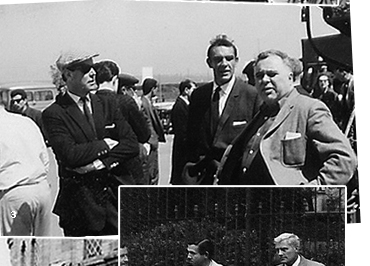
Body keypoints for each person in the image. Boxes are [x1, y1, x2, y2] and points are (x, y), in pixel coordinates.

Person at [216, 49, 357, 185]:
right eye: (259, 76)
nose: (264, 80)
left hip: (289, 205)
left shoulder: (309, 109)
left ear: (290, 78)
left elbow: (344, 159)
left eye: (271, 74)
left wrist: (312, 193)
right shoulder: (261, 115)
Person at [42, 50, 140, 236]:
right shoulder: (54, 113)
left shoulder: (107, 103)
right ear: (68, 75)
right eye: (86, 69)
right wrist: (105, 144)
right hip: (81, 208)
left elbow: (131, 144)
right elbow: (70, 155)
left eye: (93, 67)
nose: (93, 73)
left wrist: (97, 164)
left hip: (116, 203)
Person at [184, 34, 261, 185]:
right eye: (218, 59)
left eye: (229, 58)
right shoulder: (199, 96)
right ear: (209, 63)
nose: (224, 64)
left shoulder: (252, 95)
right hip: (202, 181)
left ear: (236, 61)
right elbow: (189, 141)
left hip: (235, 181)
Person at [0, 98, 52, 236]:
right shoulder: (25, 122)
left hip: (15, 198)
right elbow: (45, 159)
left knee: (15, 246)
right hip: (42, 193)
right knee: (43, 245)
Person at [93, 60, 151, 184]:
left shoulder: (91, 103)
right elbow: (144, 134)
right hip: (128, 170)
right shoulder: (125, 102)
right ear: (115, 79)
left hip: (101, 168)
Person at [170, 79, 197, 185]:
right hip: (182, 150)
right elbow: (182, 132)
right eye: (193, 90)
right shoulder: (180, 107)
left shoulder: (186, 105)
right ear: (186, 90)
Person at [141, 78, 166, 185]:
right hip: (150, 143)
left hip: (152, 142)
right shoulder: (144, 103)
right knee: (151, 173)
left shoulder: (148, 102)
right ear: (152, 89)